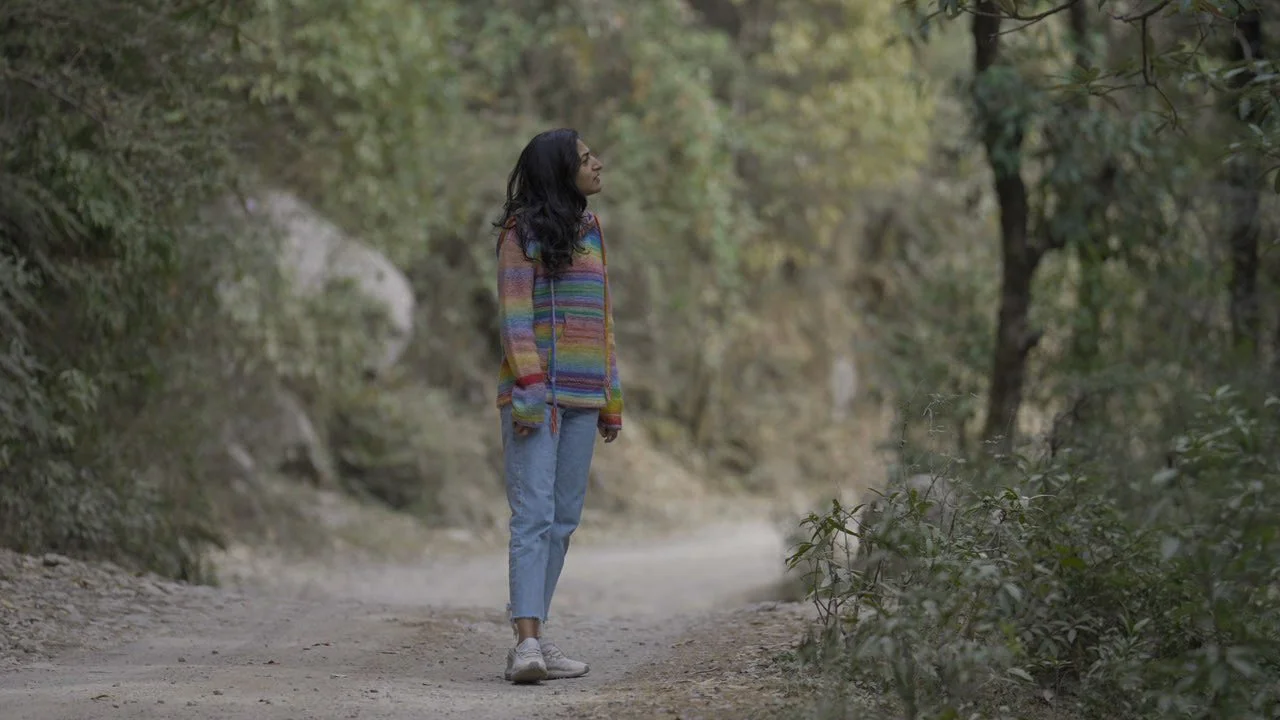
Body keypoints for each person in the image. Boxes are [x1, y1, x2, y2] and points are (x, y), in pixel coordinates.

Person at [493, 128, 622, 684]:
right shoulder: (521, 234)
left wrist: (611, 397)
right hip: (538, 398)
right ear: (559, 170)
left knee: (563, 521)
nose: (598, 164)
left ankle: (535, 637)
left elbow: (603, 319)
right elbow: (514, 316)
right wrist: (529, 386)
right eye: (586, 158)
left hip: (584, 398)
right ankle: (525, 646)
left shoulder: (591, 230)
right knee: (534, 516)